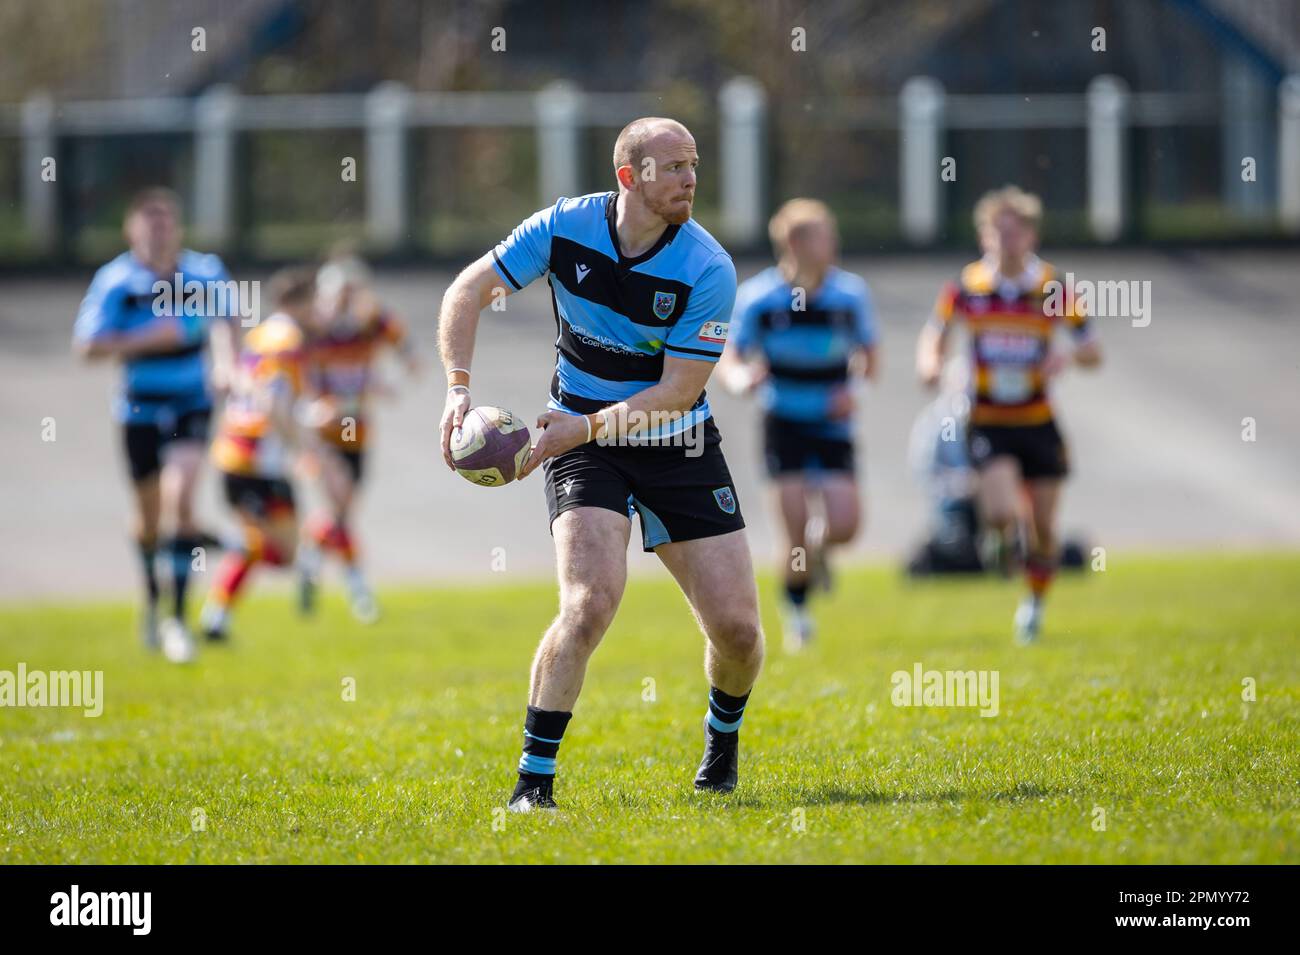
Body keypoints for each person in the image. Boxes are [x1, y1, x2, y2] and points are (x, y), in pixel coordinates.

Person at [437, 117, 764, 810]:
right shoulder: (563, 228)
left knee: (737, 633)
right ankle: (533, 787)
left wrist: (579, 427)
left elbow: (679, 392)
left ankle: (721, 739)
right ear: (629, 177)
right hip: (583, 445)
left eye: (693, 164)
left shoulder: (707, 267)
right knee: (587, 604)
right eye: (672, 167)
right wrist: (457, 390)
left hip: (675, 440)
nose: (689, 178)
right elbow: (466, 292)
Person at [915, 186, 1101, 642]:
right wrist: (932, 366)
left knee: (1043, 529)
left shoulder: (1052, 287)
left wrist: (1067, 359)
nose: (1004, 242)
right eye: (995, 233)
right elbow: (934, 336)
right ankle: (999, 539)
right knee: (999, 512)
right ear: (983, 237)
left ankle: (1033, 606)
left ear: (1030, 235)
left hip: (1038, 421)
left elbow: (1092, 350)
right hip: (990, 421)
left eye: (1013, 233)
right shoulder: (967, 286)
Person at [73, 187, 237, 663]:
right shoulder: (116, 281)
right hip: (139, 408)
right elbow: (87, 346)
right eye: (151, 221)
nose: (161, 230)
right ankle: (151, 600)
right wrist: (149, 337)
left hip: (191, 403)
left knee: (181, 499)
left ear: (178, 229)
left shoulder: (204, 271)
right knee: (147, 522)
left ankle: (177, 621)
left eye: (168, 221)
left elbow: (228, 320)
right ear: (132, 230)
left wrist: (227, 364)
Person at [720, 199, 879, 651]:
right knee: (792, 528)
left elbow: (871, 357)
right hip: (782, 421)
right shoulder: (760, 296)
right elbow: (730, 353)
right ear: (794, 243)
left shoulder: (850, 295)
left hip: (832, 423)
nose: (832, 245)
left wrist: (855, 392)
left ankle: (822, 550)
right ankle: (799, 615)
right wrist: (740, 378)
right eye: (823, 236)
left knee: (844, 525)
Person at [296, 254, 416, 623]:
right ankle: (359, 590)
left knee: (340, 514)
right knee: (339, 509)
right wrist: (311, 407)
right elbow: (291, 376)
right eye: (338, 294)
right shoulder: (310, 330)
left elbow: (409, 353)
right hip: (320, 436)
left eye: (352, 292)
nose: (344, 301)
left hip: (358, 433)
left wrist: (386, 380)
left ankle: (311, 563)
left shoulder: (372, 323)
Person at [199, 269, 316, 645]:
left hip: (234, 453)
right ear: (303, 302)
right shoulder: (288, 341)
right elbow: (271, 401)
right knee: (276, 550)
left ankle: (217, 615)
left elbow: (239, 381)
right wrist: (300, 445)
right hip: (258, 461)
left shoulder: (261, 335)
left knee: (281, 551)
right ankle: (223, 550)